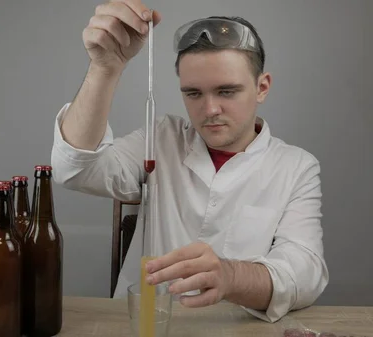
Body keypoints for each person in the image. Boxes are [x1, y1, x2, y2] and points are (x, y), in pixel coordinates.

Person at [50, 0, 328, 323]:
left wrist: (230, 276)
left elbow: (305, 271)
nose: (209, 110)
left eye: (226, 91)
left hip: (237, 330)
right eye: (193, 93)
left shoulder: (296, 167)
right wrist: (104, 68)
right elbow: (75, 169)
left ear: (262, 87)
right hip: (146, 326)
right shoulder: (161, 138)